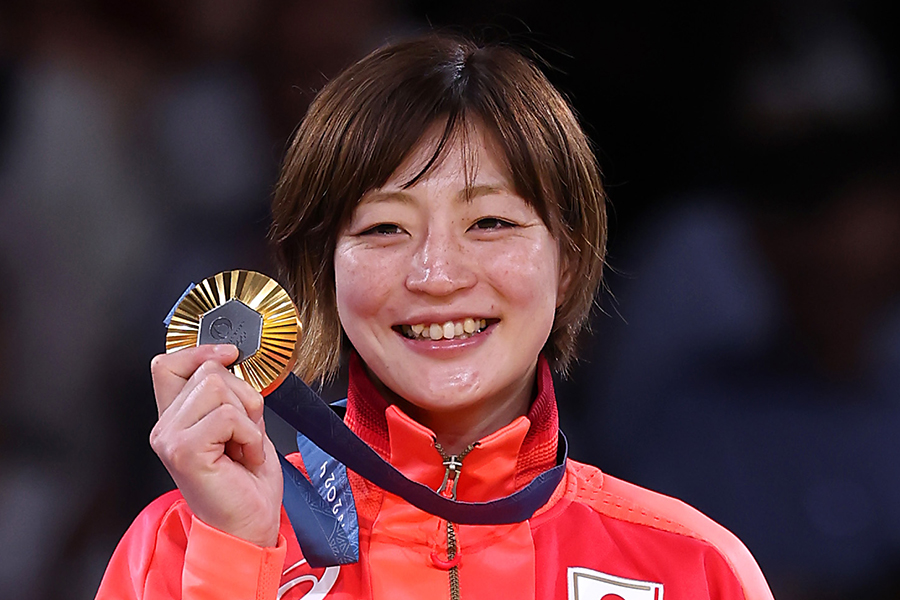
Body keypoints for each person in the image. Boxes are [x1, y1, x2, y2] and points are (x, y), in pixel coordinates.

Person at [96, 34, 773, 600]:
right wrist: (235, 554)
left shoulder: (690, 568)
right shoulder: (180, 545)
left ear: (566, 262)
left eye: (490, 222)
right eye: (386, 228)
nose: (437, 275)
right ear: (322, 272)